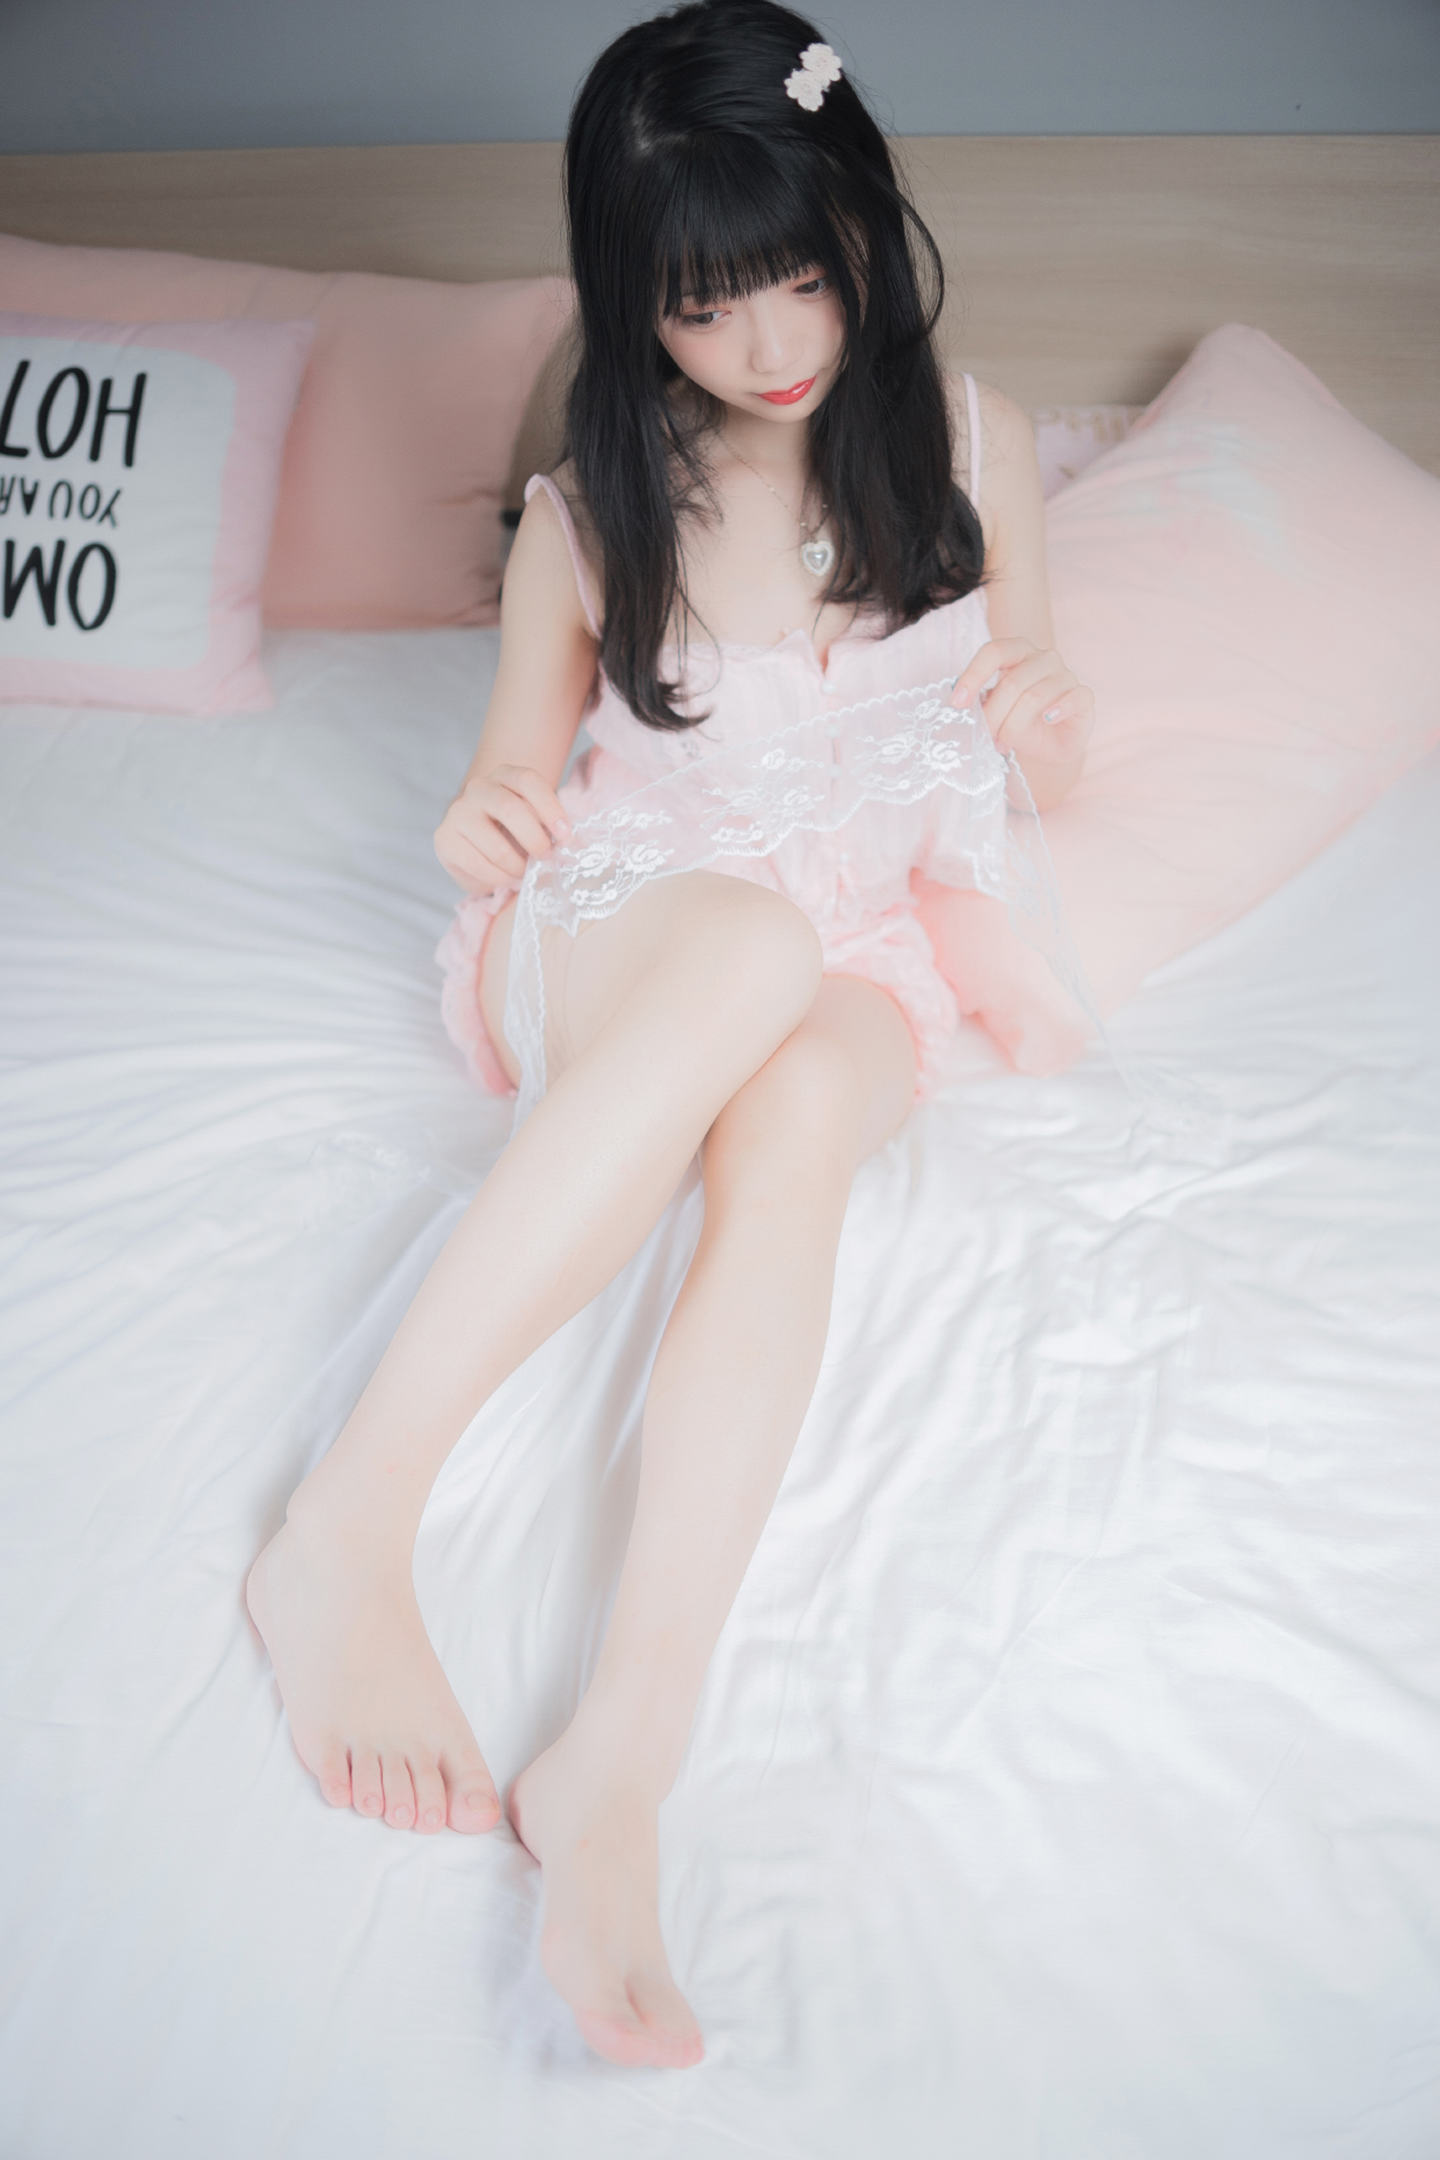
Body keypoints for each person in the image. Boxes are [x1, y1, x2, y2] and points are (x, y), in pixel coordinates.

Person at [246, 0, 1095, 2073]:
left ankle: (621, 1760)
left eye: (799, 273)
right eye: (705, 304)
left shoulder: (974, 446)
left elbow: (1031, 756)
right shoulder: (590, 511)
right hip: (623, 930)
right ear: (638, 304)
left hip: (860, 948)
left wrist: (1049, 722)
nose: (767, 341)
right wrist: (483, 819)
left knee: (798, 1101)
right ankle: (346, 1529)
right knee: (736, 962)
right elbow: (505, 785)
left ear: (863, 224)